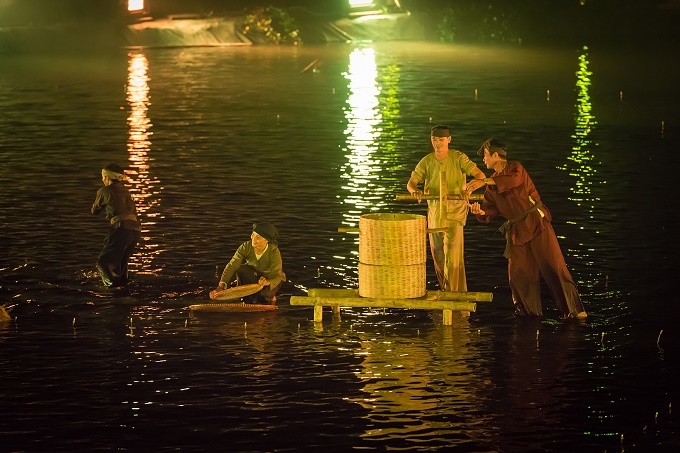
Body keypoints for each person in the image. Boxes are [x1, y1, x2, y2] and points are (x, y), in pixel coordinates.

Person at [469, 138, 587, 319]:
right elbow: (489, 210)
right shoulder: (490, 187)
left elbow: (512, 181)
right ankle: (528, 316)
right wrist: (479, 211)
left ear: (495, 155)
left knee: (554, 268)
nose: (483, 160)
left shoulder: (516, 169)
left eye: (485, 156)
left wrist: (484, 181)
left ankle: (575, 312)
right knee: (518, 276)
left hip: (536, 223)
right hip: (517, 233)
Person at [407, 125, 487, 292]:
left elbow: (481, 176)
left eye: (441, 140)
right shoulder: (427, 161)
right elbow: (411, 183)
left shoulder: (458, 158)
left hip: (455, 213)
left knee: (453, 256)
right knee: (438, 256)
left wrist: (469, 188)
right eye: (434, 140)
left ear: (449, 140)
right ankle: (445, 292)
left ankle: (456, 294)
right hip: (435, 214)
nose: (438, 144)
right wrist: (415, 191)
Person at [91, 163, 141, 288]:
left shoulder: (104, 190)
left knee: (103, 263)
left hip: (121, 228)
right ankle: (125, 289)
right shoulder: (126, 190)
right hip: (135, 230)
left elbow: (94, 211)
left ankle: (113, 290)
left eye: (103, 176)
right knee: (121, 265)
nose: (102, 179)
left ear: (108, 177)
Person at [213, 222, 285, 304]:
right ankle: (245, 296)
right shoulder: (245, 247)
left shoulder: (274, 252)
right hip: (254, 276)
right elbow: (232, 265)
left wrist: (267, 282)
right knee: (241, 269)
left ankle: (271, 296)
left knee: (263, 297)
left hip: (270, 280)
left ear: (267, 240)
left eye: (258, 237)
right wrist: (221, 286)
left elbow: (277, 275)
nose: (253, 239)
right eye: (253, 235)